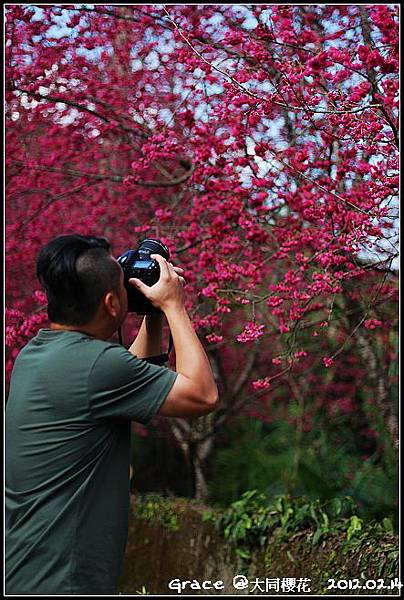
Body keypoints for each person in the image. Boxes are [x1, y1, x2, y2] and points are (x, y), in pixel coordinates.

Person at [5, 234, 218, 595]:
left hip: (27, 572)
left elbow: (127, 375)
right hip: (65, 582)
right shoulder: (98, 366)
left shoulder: (36, 353)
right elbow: (202, 395)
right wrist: (174, 307)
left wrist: (151, 316)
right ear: (109, 303)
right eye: (123, 286)